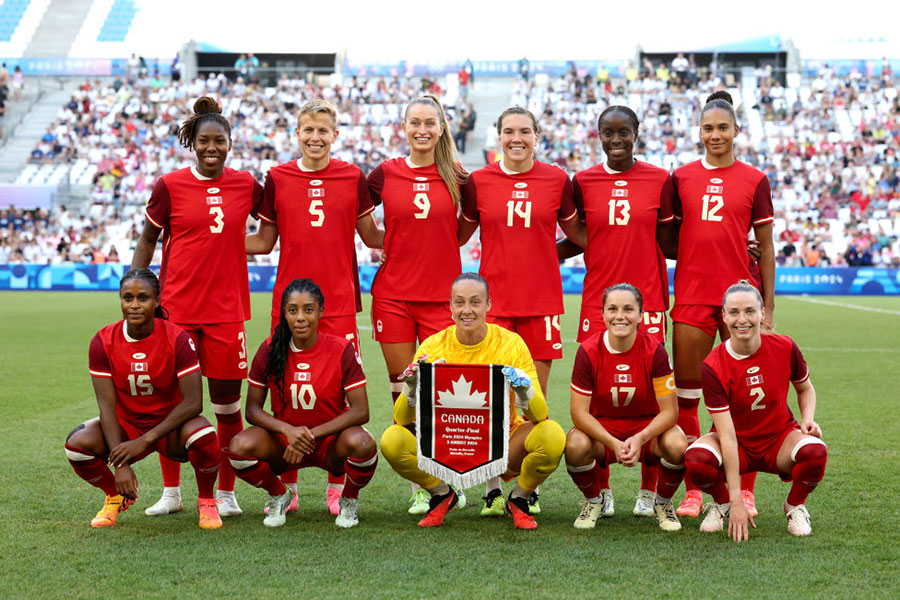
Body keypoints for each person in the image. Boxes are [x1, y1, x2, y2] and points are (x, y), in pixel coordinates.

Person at [246, 98, 383, 516]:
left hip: (338, 303)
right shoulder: (278, 177)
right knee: (285, 391)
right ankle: (288, 486)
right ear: (297, 134)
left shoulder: (352, 176)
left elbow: (372, 236)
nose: (315, 137)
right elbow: (263, 242)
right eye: (308, 129)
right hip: (289, 306)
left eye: (323, 130)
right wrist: (203, 239)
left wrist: (424, 236)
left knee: (337, 394)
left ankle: (336, 486)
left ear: (335, 134)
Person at [132, 96, 263, 518]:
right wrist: (138, 291)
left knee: (226, 407)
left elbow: (284, 218)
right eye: (204, 140)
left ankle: (226, 493)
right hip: (176, 312)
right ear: (192, 142)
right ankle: (172, 492)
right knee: (172, 404)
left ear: (230, 143)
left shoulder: (246, 184)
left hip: (227, 313)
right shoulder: (169, 186)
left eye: (219, 141)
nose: (212, 148)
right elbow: (149, 241)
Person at [557, 105, 677, 519]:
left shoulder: (661, 179)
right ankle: (602, 492)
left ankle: (649, 491)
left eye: (624, 132)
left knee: (650, 394)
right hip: (597, 301)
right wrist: (539, 255)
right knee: (598, 395)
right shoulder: (583, 181)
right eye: (608, 133)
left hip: (649, 302)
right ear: (598, 136)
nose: (616, 140)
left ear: (637, 133)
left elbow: (672, 239)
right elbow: (581, 239)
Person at [380, 273, 566, 529]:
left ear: (489, 305)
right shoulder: (433, 346)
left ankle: (519, 498)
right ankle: (442, 493)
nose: (467, 310)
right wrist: (411, 389)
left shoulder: (511, 344)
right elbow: (402, 419)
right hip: (450, 443)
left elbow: (539, 414)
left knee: (552, 435)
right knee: (392, 440)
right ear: (450, 306)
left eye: (475, 302)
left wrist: (524, 391)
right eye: (459, 302)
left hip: (502, 446)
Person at [670, 91, 775, 518]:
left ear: (736, 131)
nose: (715, 134)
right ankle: (696, 488)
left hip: (740, 302)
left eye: (723, 127)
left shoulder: (755, 179)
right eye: (708, 128)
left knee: (741, 401)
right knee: (688, 397)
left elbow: (765, 248)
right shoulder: (679, 177)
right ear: (699, 131)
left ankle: (744, 490)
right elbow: (667, 236)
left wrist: (768, 307)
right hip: (693, 295)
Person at [366, 94, 467, 515]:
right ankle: (420, 487)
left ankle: (450, 477)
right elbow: (356, 215)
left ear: (442, 128)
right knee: (404, 390)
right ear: (403, 127)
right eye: (414, 122)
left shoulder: (459, 176)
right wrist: (380, 243)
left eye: (430, 122)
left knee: (442, 392)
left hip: (442, 299)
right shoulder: (384, 173)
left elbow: (463, 231)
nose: (422, 129)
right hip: (392, 297)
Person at [64, 269, 222, 529]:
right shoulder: (103, 341)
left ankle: (206, 500)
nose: (134, 305)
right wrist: (120, 465)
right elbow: (106, 405)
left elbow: (194, 403)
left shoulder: (178, 339)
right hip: (128, 426)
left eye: (143, 298)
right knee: (77, 445)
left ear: (157, 300)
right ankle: (115, 496)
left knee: (204, 434)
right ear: (120, 300)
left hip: (171, 428)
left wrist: (146, 439)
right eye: (127, 298)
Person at [227, 279, 377, 528]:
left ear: (321, 311)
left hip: (330, 443)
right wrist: (288, 431)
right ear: (283, 312)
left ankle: (348, 500)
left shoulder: (341, 349)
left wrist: (308, 435)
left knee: (363, 444)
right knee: (239, 447)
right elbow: (252, 409)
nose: (300, 317)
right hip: (285, 445)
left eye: (308, 309)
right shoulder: (269, 349)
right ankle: (279, 493)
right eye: (292, 310)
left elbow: (362, 411)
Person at [684, 282, 826, 540]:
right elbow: (726, 435)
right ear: (724, 316)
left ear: (762, 313)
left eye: (750, 311)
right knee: (696, 459)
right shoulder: (713, 365)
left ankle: (795, 506)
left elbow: (805, 389)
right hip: (736, 444)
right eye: (734, 312)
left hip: (778, 440)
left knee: (815, 452)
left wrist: (807, 421)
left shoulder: (785, 346)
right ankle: (722, 503)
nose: (742, 319)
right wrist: (736, 498)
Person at [565, 283, 687, 532]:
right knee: (575, 445)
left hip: (646, 431)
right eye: (612, 309)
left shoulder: (655, 352)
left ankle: (662, 503)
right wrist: (611, 442)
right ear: (602, 314)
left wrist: (641, 437)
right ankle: (594, 500)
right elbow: (579, 413)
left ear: (641, 315)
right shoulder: (588, 351)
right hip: (603, 430)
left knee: (677, 443)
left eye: (629, 309)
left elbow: (670, 413)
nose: (620, 316)